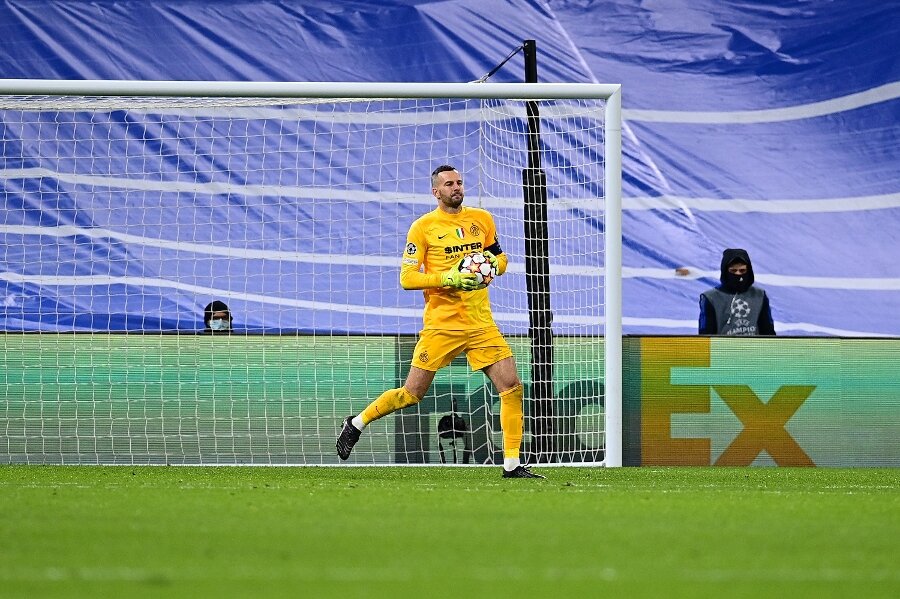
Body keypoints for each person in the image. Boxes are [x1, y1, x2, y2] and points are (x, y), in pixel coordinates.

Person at [336, 164, 543, 478]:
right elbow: (407, 278)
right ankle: (356, 423)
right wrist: (449, 278)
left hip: (480, 323)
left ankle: (512, 464)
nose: (456, 188)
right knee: (411, 394)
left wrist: (491, 265)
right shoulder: (423, 227)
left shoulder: (482, 220)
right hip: (441, 325)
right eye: (449, 184)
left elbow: (500, 257)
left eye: (459, 182)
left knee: (512, 386)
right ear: (436, 191)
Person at [699, 248, 775, 335]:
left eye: (742, 270)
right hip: (722, 348)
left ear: (748, 271)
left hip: (755, 348)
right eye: (733, 271)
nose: (738, 274)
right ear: (725, 271)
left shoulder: (760, 295)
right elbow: (705, 336)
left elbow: (768, 331)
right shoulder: (710, 298)